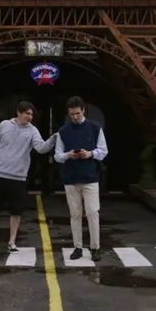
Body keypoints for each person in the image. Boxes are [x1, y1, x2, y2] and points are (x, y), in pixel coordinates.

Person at [0, 101, 58, 253]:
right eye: (27, 113)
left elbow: (41, 148)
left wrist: (53, 139)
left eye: (32, 114)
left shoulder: (32, 131)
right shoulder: (4, 126)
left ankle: (12, 241)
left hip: (18, 177)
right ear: (18, 113)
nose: (30, 117)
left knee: (16, 211)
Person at [54, 96, 108, 261]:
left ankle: (95, 247)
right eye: (72, 114)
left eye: (77, 113)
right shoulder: (63, 131)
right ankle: (78, 246)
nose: (75, 117)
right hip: (71, 178)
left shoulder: (95, 128)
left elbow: (103, 151)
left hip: (90, 177)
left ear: (83, 110)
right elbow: (57, 156)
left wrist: (90, 153)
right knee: (75, 214)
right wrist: (68, 155)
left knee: (92, 212)